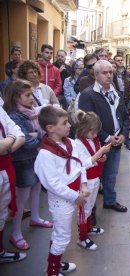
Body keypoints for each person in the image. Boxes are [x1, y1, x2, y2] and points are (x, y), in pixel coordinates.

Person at [34, 106, 89, 275]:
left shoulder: (70, 142)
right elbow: (53, 184)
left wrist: (84, 184)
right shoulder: (45, 155)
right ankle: (52, 271)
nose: (69, 125)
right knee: (62, 237)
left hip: (76, 194)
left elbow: (80, 163)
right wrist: (75, 196)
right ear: (50, 128)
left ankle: (55, 264)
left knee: (61, 234)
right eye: (65, 123)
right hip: (62, 200)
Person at [3, 80, 51, 251]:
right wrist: (38, 134)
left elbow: (36, 136)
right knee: (21, 199)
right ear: (16, 98)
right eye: (28, 95)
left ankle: (36, 217)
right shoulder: (14, 116)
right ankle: (16, 233)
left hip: (35, 157)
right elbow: (29, 142)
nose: (32, 98)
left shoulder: (31, 112)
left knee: (36, 189)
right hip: (23, 161)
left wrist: (35, 134)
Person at [78, 60, 129, 213]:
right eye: (104, 72)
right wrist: (107, 137)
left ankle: (110, 201)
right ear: (95, 75)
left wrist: (123, 135)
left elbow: (126, 116)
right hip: (96, 144)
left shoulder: (117, 92)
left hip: (116, 141)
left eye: (110, 72)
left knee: (111, 175)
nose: (108, 75)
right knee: (93, 178)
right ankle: (89, 212)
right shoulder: (87, 95)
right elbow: (87, 123)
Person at [74, 112, 110, 250]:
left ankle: (88, 229)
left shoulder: (93, 140)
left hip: (95, 178)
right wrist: (100, 153)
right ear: (85, 129)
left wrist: (102, 157)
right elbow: (84, 163)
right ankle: (82, 237)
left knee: (90, 206)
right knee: (84, 209)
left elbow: (96, 158)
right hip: (85, 181)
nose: (96, 135)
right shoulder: (78, 144)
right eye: (93, 132)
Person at [0, 99, 26, 264]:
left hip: (5, 168)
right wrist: (10, 139)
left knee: (2, 212)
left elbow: (19, 132)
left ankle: (0, 251)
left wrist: (7, 144)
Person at [113, 55, 130, 150]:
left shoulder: (129, 74)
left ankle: (127, 140)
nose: (120, 61)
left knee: (127, 120)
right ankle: (116, 139)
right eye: (118, 60)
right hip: (115, 100)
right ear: (115, 62)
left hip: (126, 100)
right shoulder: (112, 73)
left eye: (121, 60)